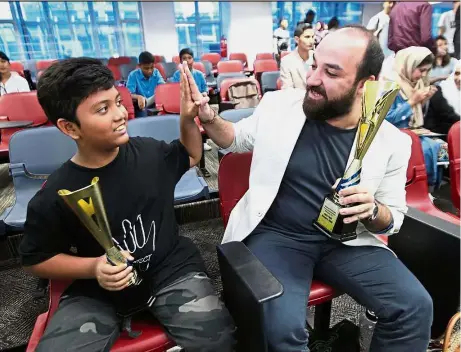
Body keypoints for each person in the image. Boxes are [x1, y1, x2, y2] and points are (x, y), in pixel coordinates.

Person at [181, 26, 433, 352]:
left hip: (345, 241)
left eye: (331, 72)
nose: (312, 78)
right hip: (276, 237)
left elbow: (393, 218)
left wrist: (372, 211)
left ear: (365, 84)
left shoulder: (392, 142)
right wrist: (208, 116)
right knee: (282, 332)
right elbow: (233, 138)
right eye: (314, 65)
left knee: (414, 306)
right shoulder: (280, 106)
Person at [19, 58, 235, 351]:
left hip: (170, 269)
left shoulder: (148, 154)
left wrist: (186, 119)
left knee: (219, 342)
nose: (120, 114)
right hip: (96, 291)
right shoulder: (57, 193)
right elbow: (36, 260)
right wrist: (94, 267)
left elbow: (192, 155)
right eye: (102, 109)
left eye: (118, 102)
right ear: (70, 128)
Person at [384, 47, 448, 187]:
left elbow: (416, 117)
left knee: (441, 146)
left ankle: (427, 188)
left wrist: (424, 100)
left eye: (427, 71)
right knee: (424, 150)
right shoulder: (389, 85)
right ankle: (414, 188)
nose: (423, 75)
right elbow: (386, 119)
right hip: (392, 135)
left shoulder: (416, 83)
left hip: (413, 132)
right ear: (408, 65)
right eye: (421, 70)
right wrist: (412, 101)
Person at [170, 48, 211, 151]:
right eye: (184, 58)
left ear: (193, 60)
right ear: (180, 61)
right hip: (182, 102)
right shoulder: (176, 75)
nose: (187, 60)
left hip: (197, 101)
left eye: (189, 58)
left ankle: (203, 141)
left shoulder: (199, 74)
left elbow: (205, 89)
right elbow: (174, 91)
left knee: (205, 112)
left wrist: (204, 93)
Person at [280, 23, 315, 89]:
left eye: (312, 37)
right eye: (307, 37)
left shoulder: (317, 57)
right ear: (297, 39)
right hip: (298, 98)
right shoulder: (287, 61)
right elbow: (287, 91)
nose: (311, 41)